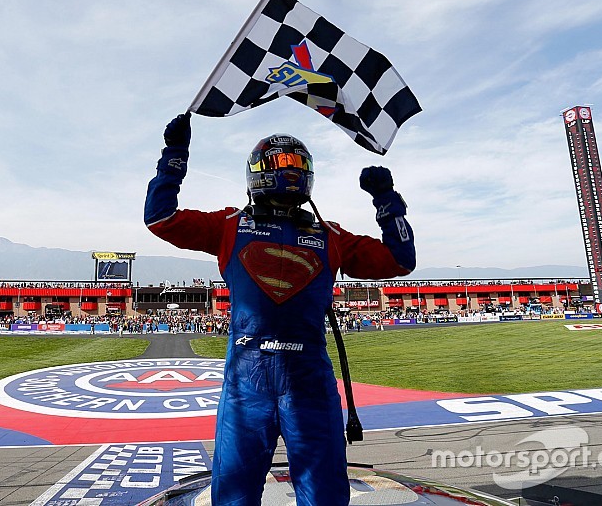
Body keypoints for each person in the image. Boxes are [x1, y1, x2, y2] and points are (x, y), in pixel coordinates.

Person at [144, 113, 415, 505]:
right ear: (257, 172)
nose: (290, 169)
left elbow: (399, 261)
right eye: (280, 162)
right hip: (248, 381)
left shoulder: (330, 234)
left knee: (325, 497)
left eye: (298, 163)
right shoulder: (229, 224)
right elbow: (161, 218)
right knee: (233, 497)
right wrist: (174, 156)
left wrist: (387, 201)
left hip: (306, 382)